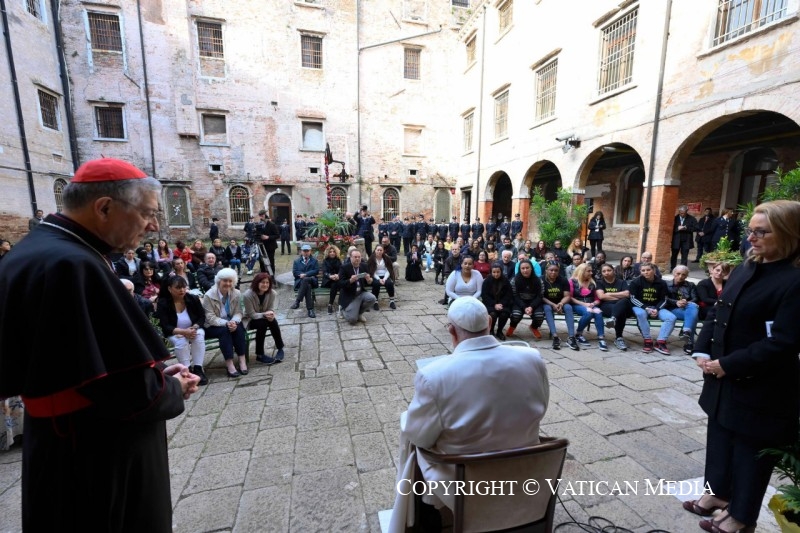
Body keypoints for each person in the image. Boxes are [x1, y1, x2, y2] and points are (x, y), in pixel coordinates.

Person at [0, 157, 199, 531]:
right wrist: (171, 387)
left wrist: (150, 370)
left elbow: (93, 361)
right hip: (96, 451)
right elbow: (125, 391)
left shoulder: (37, 251)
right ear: (104, 207)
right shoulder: (74, 264)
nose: (154, 225)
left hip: (59, 443)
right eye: (147, 213)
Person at [686, 200, 800, 533]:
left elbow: (783, 342)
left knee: (751, 452)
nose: (752, 237)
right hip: (722, 377)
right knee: (719, 437)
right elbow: (721, 309)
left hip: (762, 385)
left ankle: (741, 516)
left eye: (762, 232)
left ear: (789, 233)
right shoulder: (749, 264)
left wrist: (727, 365)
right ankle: (717, 494)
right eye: (750, 230)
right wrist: (700, 350)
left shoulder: (794, 280)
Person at [390, 296, 549, 531]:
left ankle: (424, 522)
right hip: (525, 470)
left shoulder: (433, 375)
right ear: (489, 321)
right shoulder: (531, 358)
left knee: (415, 449)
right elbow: (541, 407)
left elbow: (419, 437)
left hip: (465, 483)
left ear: (451, 331)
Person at [157, 276, 208, 385]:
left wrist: (194, 327)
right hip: (175, 332)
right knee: (181, 341)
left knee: (198, 335)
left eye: (184, 287)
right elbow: (165, 325)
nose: (182, 290)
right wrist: (183, 332)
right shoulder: (163, 303)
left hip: (193, 329)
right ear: (170, 289)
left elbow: (202, 317)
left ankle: (198, 368)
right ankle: (187, 370)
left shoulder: (193, 298)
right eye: (178, 288)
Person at [203, 268, 249, 377]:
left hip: (231, 322)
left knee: (239, 327)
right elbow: (210, 317)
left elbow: (239, 312)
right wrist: (226, 323)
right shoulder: (209, 296)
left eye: (230, 281)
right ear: (219, 281)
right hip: (213, 325)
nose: (228, 283)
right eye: (225, 281)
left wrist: (233, 321)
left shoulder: (236, 293)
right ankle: (230, 364)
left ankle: (242, 360)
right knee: (225, 331)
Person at [629, 263, 675, 354]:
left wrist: (657, 309)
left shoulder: (661, 283)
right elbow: (633, 298)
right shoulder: (636, 282)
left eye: (648, 270)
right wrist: (646, 308)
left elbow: (664, 299)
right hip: (641, 307)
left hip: (657, 307)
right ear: (640, 272)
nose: (646, 272)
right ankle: (647, 340)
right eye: (643, 270)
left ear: (653, 270)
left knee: (671, 317)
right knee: (640, 314)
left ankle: (660, 342)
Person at [243, 273, 286, 365]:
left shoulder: (272, 293)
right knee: (263, 323)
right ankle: (260, 354)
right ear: (257, 283)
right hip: (250, 319)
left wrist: (270, 314)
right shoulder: (248, 295)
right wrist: (265, 314)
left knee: (272, 321)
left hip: (264, 317)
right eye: (263, 282)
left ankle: (280, 348)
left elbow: (271, 308)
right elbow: (252, 314)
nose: (265, 285)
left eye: (267, 282)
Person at [568, 263, 607, 350]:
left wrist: (593, 304)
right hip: (577, 304)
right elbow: (570, 297)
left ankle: (601, 338)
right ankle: (578, 334)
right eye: (588, 271)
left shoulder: (593, 282)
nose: (591, 273)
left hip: (591, 304)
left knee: (598, 312)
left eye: (591, 271)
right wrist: (585, 305)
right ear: (582, 271)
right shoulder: (572, 281)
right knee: (588, 312)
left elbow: (597, 299)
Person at [541, 261, 578, 350]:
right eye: (551, 270)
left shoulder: (563, 280)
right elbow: (540, 297)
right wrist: (553, 304)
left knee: (568, 307)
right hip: (547, 302)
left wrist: (560, 303)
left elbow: (567, 296)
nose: (553, 272)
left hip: (561, 302)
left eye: (556, 270)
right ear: (546, 270)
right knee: (547, 309)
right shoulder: (541, 280)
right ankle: (555, 336)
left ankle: (571, 337)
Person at [595, 263, 632, 351]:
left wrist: (609, 294)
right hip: (606, 306)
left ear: (613, 271)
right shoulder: (599, 282)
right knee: (621, 310)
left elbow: (627, 294)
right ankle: (619, 338)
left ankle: (613, 319)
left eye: (609, 270)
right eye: (604, 271)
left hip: (620, 304)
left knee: (624, 302)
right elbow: (601, 296)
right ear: (601, 273)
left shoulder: (621, 282)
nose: (606, 273)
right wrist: (619, 296)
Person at [666, 265, 700, 354]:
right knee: (694, 315)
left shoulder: (691, 285)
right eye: (678, 274)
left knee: (692, 307)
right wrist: (676, 302)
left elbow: (695, 298)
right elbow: (664, 298)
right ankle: (689, 342)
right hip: (673, 309)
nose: (680, 276)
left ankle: (686, 332)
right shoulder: (666, 284)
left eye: (683, 275)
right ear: (673, 273)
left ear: (686, 276)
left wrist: (686, 302)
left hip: (687, 308)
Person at [506, 259, 544, 339]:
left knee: (539, 316)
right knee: (516, 315)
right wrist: (524, 307)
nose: (525, 270)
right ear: (519, 269)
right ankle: (512, 326)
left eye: (527, 268)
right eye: (523, 268)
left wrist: (531, 307)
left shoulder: (538, 280)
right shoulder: (515, 280)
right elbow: (514, 296)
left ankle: (534, 327)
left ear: (531, 268)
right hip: (519, 302)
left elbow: (540, 296)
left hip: (534, 303)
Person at [338, 249, 377, 324]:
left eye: (359, 257)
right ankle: (343, 310)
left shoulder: (364, 266)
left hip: (360, 292)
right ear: (350, 258)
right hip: (349, 295)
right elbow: (340, 284)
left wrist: (369, 280)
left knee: (372, 298)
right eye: (355, 257)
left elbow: (369, 282)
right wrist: (350, 280)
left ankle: (359, 313)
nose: (357, 259)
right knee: (352, 320)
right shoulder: (344, 267)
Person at [481, 262, 514, 341]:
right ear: (491, 272)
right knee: (493, 314)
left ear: (501, 272)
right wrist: (494, 304)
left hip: (503, 304)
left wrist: (501, 304)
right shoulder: (487, 281)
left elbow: (508, 295)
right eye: (494, 272)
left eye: (498, 272)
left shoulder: (505, 281)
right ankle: (491, 330)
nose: (496, 274)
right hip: (490, 304)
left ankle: (499, 331)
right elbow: (485, 295)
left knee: (504, 314)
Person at [290, 243, 319, 318]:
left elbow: (316, 271)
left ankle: (297, 301)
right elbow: (295, 272)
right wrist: (303, 275)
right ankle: (310, 310)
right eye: (304, 251)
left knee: (306, 280)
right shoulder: (296, 261)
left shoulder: (314, 261)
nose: (306, 253)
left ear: (310, 251)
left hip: (312, 281)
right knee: (307, 286)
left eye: (307, 251)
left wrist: (305, 274)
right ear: (301, 252)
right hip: (301, 282)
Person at [367, 245, 397, 310]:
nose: (379, 252)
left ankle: (392, 301)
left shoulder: (386, 258)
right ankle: (375, 302)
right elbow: (372, 271)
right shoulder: (372, 259)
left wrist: (384, 279)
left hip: (385, 275)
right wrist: (378, 279)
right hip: (375, 276)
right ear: (375, 250)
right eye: (378, 250)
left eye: (381, 250)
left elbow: (388, 270)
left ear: (383, 251)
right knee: (376, 284)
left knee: (389, 283)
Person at [670, 205, 697, 269]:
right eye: (681, 213)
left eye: (684, 213)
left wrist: (686, 228)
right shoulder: (674, 218)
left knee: (684, 255)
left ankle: (683, 269)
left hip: (686, 240)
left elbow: (696, 228)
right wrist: (677, 228)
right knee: (674, 255)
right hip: (676, 240)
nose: (682, 214)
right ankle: (673, 268)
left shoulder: (692, 219)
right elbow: (669, 228)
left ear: (686, 212)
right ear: (679, 211)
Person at [254, 210, 279, 275]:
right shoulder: (259, 224)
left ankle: (271, 276)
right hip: (261, 246)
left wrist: (268, 237)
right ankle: (263, 275)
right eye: (260, 216)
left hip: (270, 247)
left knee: (270, 262)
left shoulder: (272, 224)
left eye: (262, 216)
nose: (261, 218)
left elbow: (277, 235)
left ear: (265, 215)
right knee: (262, 262)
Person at [321, 245, 343, 314]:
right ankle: (332, 304)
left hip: (336, 280)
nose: (332, 253)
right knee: (335, 284)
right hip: (328, 281)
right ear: (328, 253)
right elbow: (324, 272)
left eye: (334, 251)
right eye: (330, 252)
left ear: (336, 252)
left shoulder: (338, 260)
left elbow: (341, 270)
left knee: (338, 284)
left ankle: (331, 304)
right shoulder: (325, 261)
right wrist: (330, 276)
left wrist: (338, 275)